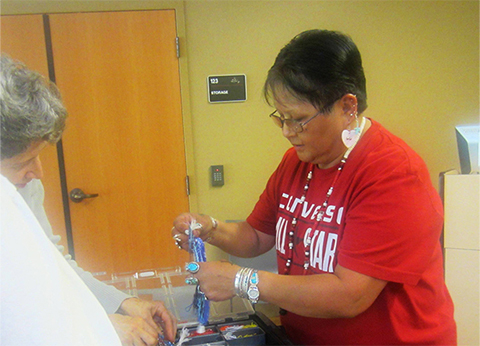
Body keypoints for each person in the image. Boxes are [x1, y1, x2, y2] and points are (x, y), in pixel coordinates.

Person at [171, 29, 457, 345]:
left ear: (348, 107)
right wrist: (209, 228)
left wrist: (241, 280)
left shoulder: (393, 172)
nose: (288, 131)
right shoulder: (296, 162)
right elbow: (255, 236)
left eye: (299, 119)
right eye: (281, 118)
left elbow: (350, 295)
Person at [0, 54, 177, 346]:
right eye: (24, 161)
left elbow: (55, 266)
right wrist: (98, 327)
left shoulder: (26, 186)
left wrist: (122, 303)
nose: (38, 172)